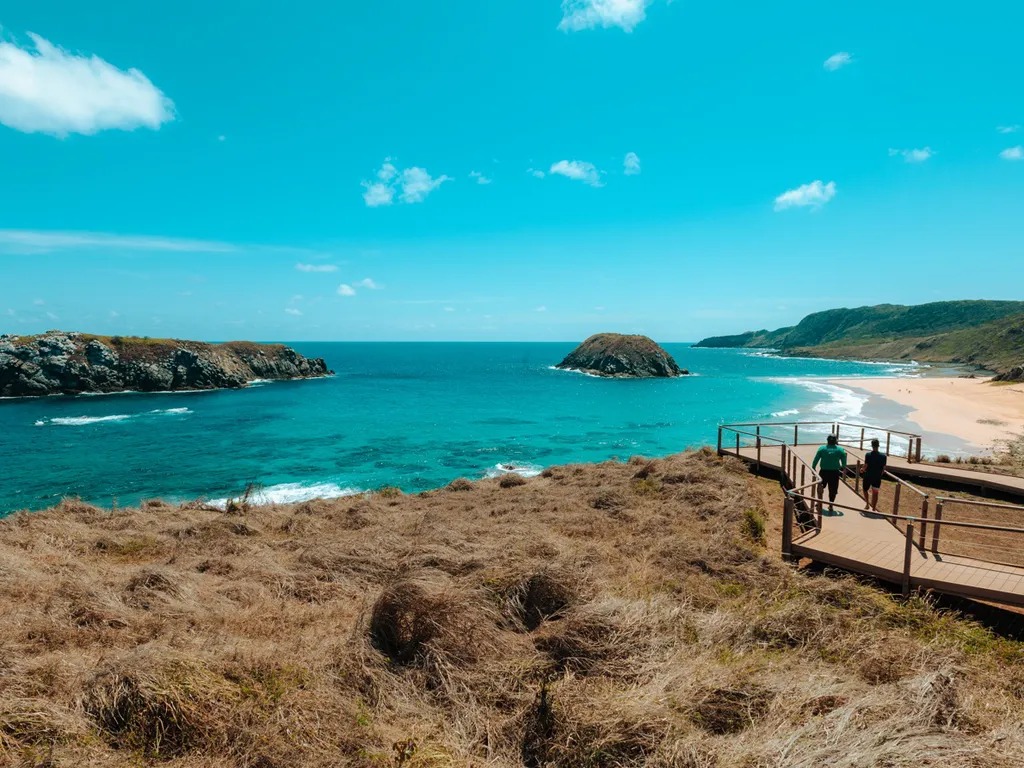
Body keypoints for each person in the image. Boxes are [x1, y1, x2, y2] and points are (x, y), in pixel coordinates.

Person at [811, 433, 847, 513]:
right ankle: (831, 504)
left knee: (820, 487)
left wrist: (813, 467)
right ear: (836, 441)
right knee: (833, 489)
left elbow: (816, 459)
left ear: (827, 440)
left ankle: (819, 502)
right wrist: (844, 468)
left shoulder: (822, 448)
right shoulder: (840, 449)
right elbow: (844, 460)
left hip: (823, 472)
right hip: (835, 473)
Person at [861, 438, 887, 512]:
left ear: (872, 446)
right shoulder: (883, 456)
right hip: (877, 477)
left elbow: (866, 465)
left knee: (865, 490)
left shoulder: (868, 455)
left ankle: (867, 504)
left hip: (868, 476)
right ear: (878, 446)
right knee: (875, 493)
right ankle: (874, 508)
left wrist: (862, 469)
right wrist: (880, 475)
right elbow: (883, 468)